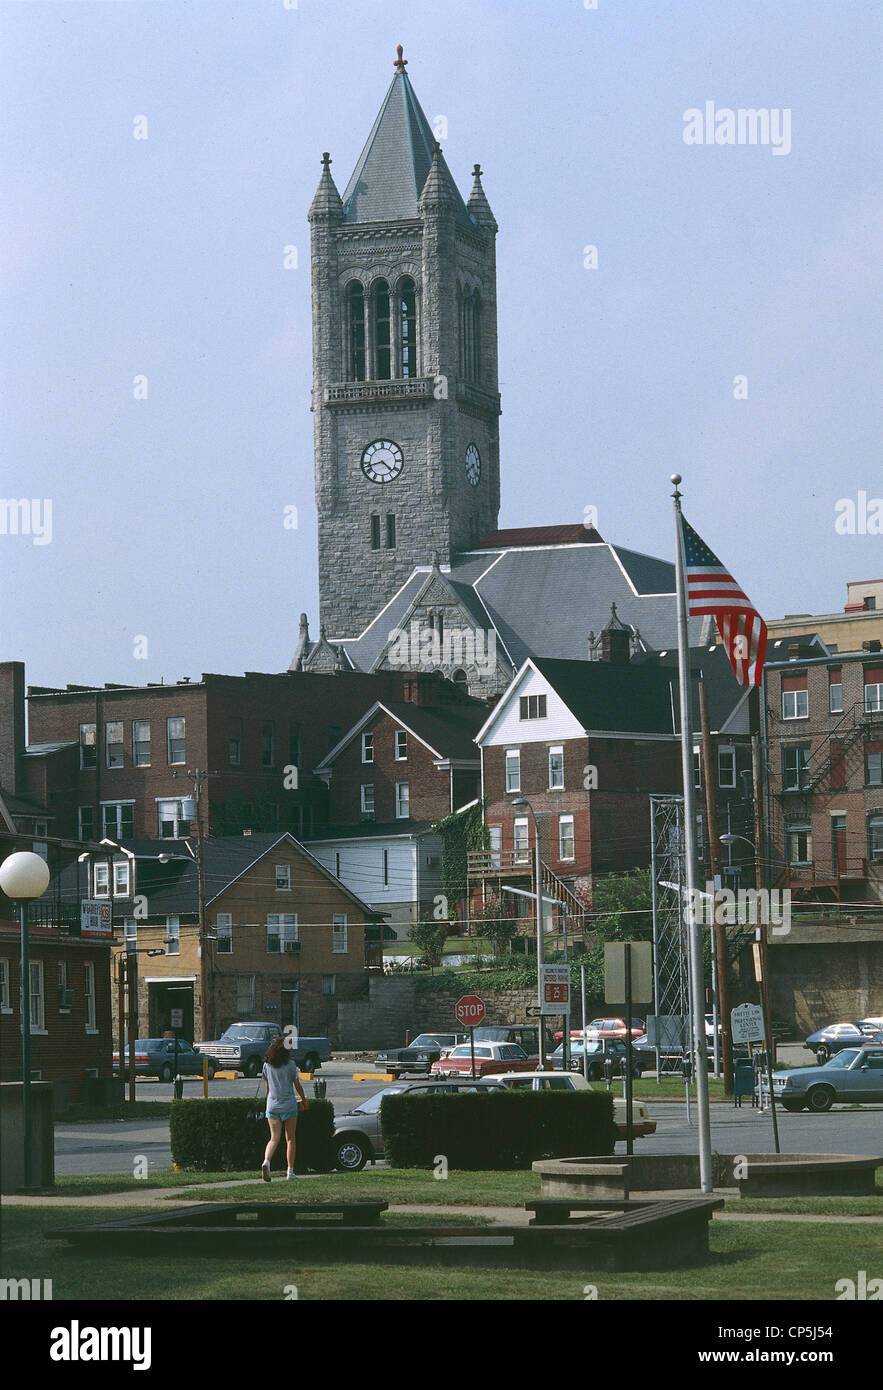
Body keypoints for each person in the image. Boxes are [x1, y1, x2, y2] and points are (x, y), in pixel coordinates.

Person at [261, 1035, 308, 1181]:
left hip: (272, 1105)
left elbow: (267, 1086)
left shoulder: (267, 1065)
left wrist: (269, 1101)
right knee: (290, 1139)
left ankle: (266, 1162)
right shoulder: (290, 1065)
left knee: (273, 1138)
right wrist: (304, 1101)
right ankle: (290, 1172)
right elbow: (297, 1085)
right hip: (288, 1105)